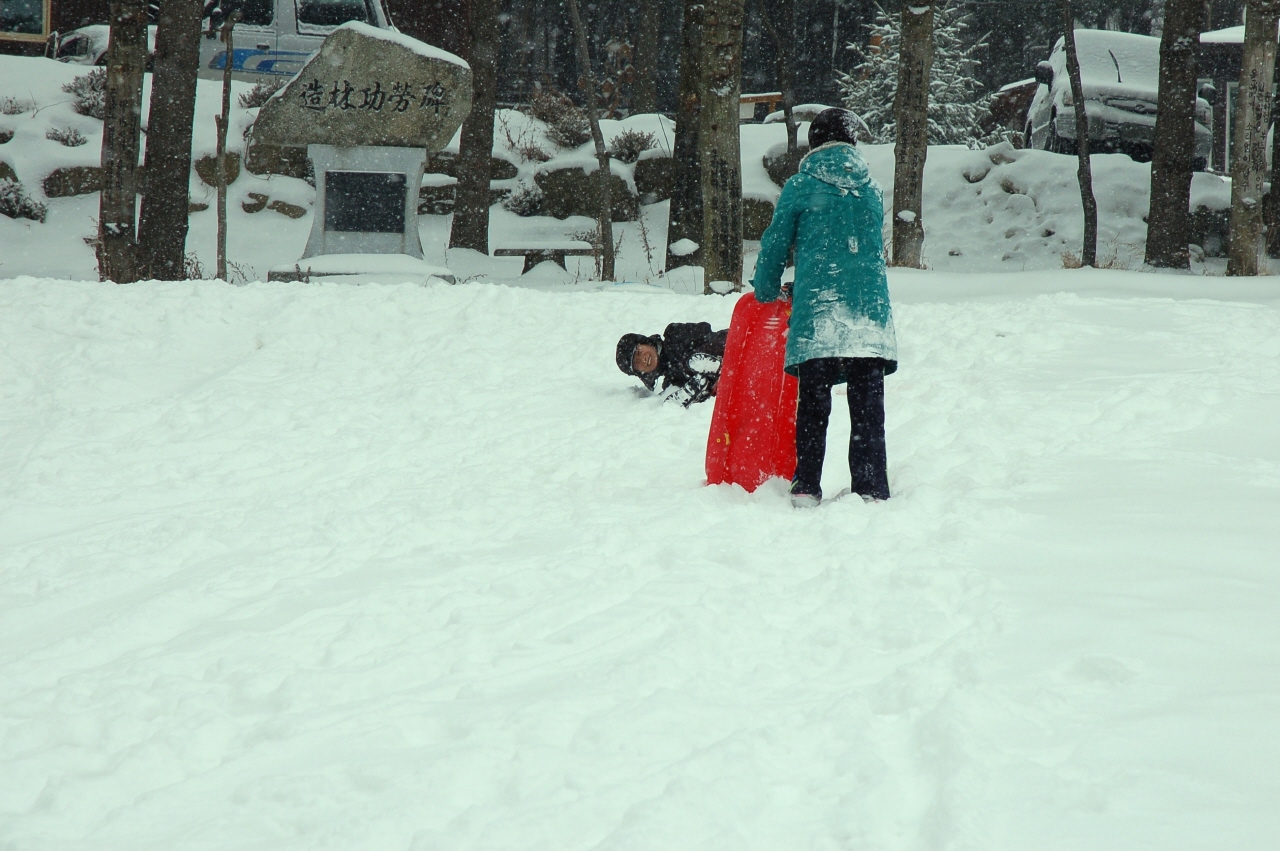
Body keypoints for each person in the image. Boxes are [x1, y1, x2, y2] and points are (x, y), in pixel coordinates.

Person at [750, 107, 897, 507]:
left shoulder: (800, 186)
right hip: (869, 316)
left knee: (813, 407)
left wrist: (765, 290)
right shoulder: (872, 189)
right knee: (868, 412)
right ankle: (871, 488)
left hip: (820, 314)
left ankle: (806, 487)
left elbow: (776, 242)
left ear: (814, 143)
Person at [616, 322, 729, 407]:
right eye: (637, 363)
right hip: (726, 383)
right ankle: (703, 387)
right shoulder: (671, 381)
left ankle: (711, 367)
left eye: (639, 352)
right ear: (640, 372)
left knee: (691, 362)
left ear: (645, 342)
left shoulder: (674, 335)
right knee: (673, 396)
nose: (643, 358)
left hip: (732, 345)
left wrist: (690, 364)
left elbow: (707, 334)